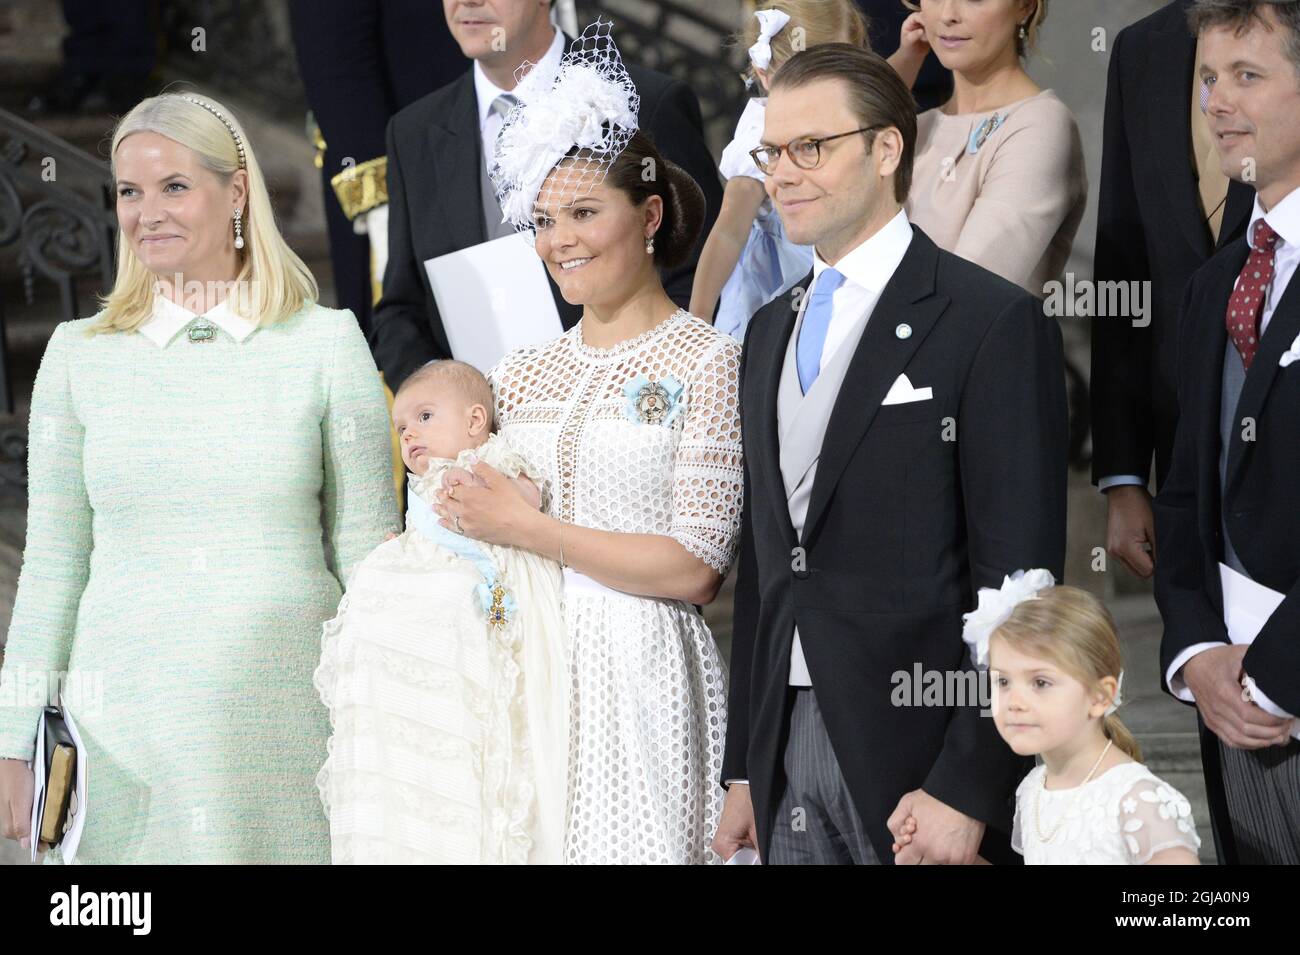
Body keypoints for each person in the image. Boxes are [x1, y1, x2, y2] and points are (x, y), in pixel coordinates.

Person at [0, 93, 399, 863]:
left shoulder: (328, 344)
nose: (147, 211)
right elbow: (52, 565)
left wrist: (393, 719)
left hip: (291, 730)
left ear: (238, 192)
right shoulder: (77, 355)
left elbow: (368, 564)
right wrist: (15, 737)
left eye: (175, 186)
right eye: (129, 191)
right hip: (123, 738)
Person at [712, 44, 1067, 866]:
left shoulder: (989, 322)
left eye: (813, 147)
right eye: (772, 152)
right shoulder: (767, 331)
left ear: (885, 149)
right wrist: (743, 767)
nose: (784, 173)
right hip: (783, 754)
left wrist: (970, 784)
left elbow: (1022, 587)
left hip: (921, 761)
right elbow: (769, 571)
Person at [432, 22, 743, 864]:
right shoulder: (519, 370)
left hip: (639, 676)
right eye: (542, 220)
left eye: (581, 213)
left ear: (648, 215)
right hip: (519, 674)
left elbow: (696, 566)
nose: (559, 240)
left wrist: (531, 529)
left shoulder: (708, 360)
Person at [369, 0, 723, 392]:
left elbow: (706, 270)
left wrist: (625, 388)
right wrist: (445, 399)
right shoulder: (412, 132)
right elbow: (402, 310)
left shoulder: (645, 101)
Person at [315, 360, 568, 864]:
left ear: (475, 422)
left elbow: (527, 499)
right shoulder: (419, 486)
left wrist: (489, 497)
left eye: (425, 417)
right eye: (402, 427)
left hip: (485, 583)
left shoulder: (489, 463)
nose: (410, 435)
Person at [1154, 0, 1300, 866]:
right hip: (1230, 711)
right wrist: (1200, 653)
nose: (1217, 101)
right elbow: (1186, 494)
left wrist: (1282, 669)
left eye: (1248, 75)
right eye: (1209, 78)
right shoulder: (1218, 282)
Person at [1091, 0, 1254, 586]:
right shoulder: (1142, 48)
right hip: (1181, 447)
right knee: (1197, 662)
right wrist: (1124, 475)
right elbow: (1123, 264)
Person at [896, 574, 1202, 864]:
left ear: (1099, 696)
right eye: (1003, 682)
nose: (1014, 701)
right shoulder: (1033, 789)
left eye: (1040, 683)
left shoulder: (1139, 801)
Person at [689, 1, 869, 335]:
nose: (827, 88)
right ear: (765, 74)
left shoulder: (844, 112)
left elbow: (885, 96)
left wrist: (911, 55)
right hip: (779, 288)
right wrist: (697, 318)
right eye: (808, 77)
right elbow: (728, 231)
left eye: (841, 68)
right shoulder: (761, 137)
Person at [889, 0, 1086, 297]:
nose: (948, 15)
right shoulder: (917, 127)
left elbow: (970, 292)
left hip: (956, 341)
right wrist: (905, 63)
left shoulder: (1040, 124)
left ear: (1025, 7)